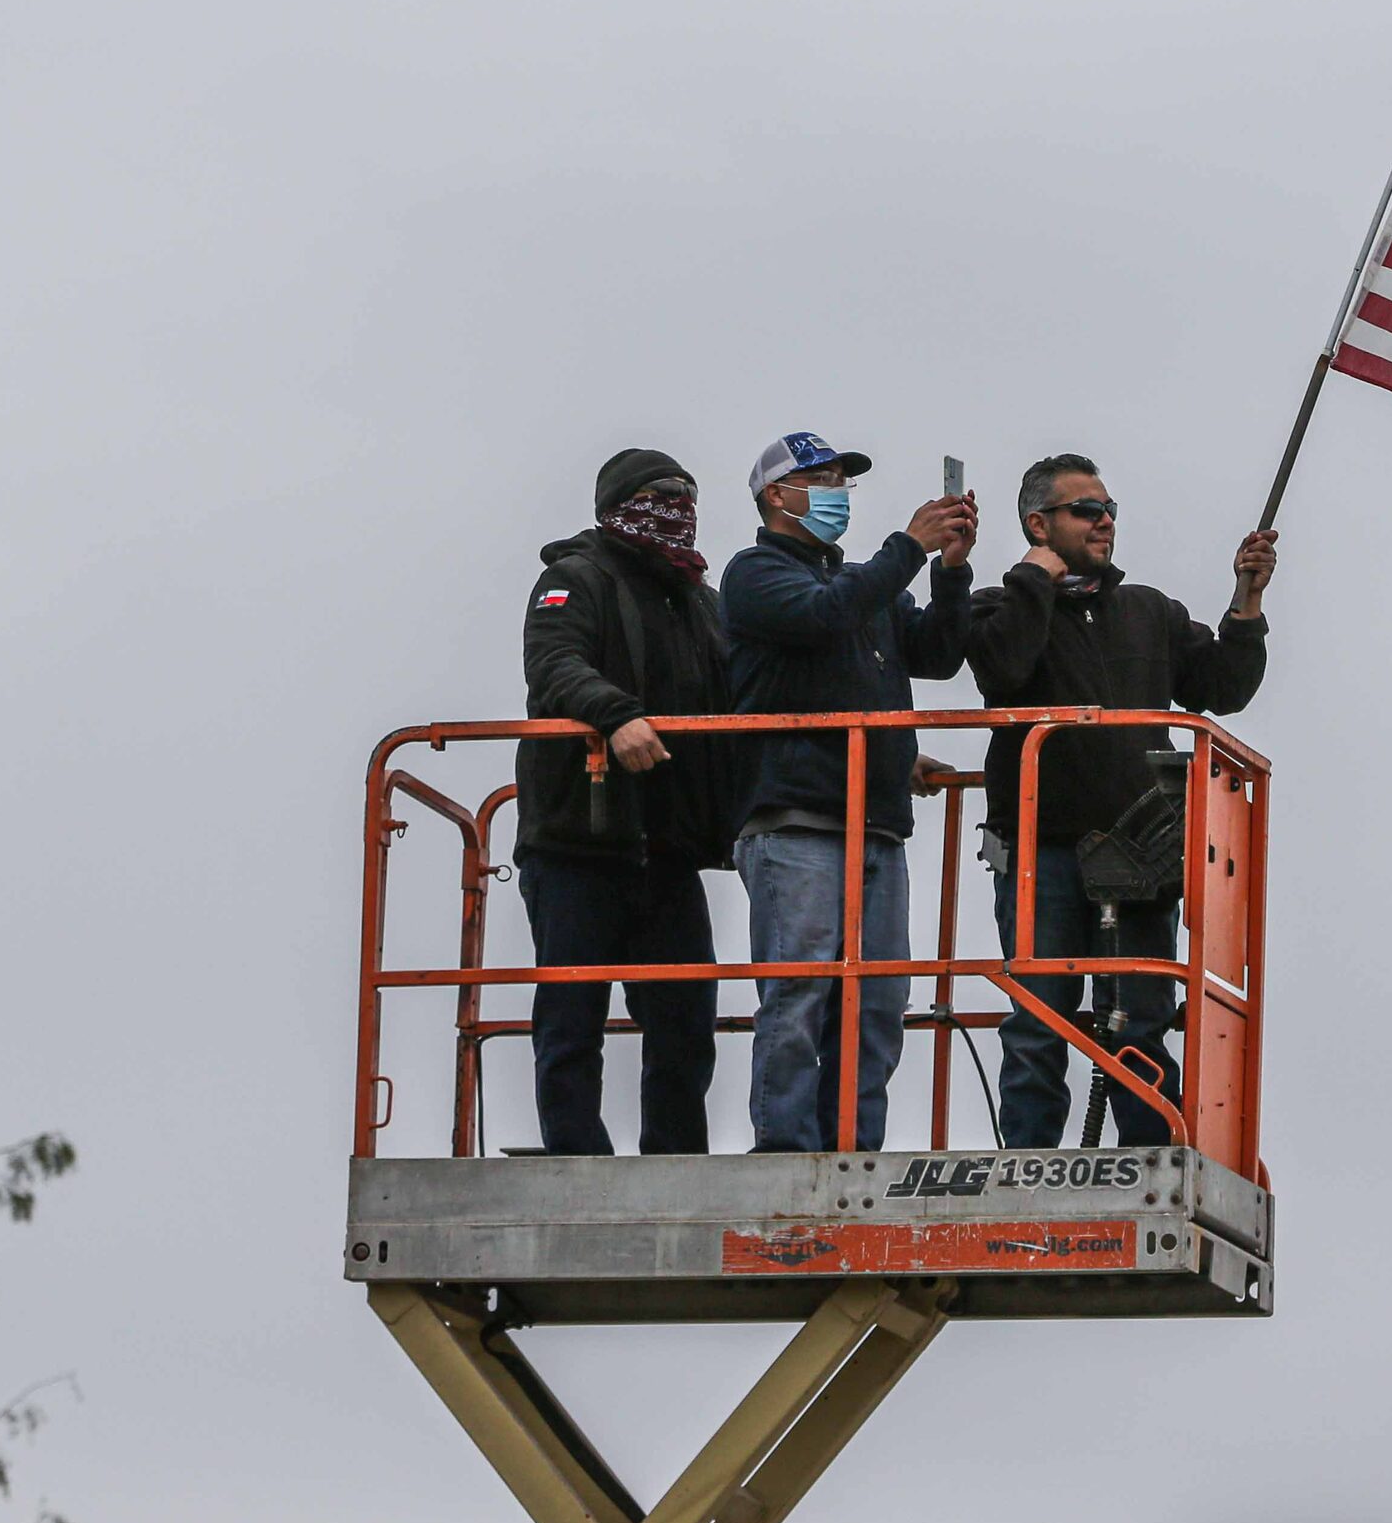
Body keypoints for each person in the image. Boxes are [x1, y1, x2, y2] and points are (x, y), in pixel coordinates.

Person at [962, 453, 1276, 1148]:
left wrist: (1246, 599)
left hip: (1139, 855)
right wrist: (1032, 581)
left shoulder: (1148, 610)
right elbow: (1002, 668)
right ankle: (1027, 1163)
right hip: (1039, 853)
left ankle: (1150, 1156)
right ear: (1038, 524)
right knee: (1037, 1021)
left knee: (1139, 1020)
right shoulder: (1000, 606)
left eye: (1109, 509)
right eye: (1086, 510)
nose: (1104, 521)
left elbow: (1221, 687)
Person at [722, 432, 976, 1152]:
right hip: (797, 819)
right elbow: (819, 615)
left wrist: (950, 571)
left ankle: (853, 1151)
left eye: (841, 480)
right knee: (800, 993)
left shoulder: (862, 584)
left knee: (878, 1003)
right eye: (821, 478)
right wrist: (909, 547)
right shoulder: (755, 573)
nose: (836, 491)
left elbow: (935, 653)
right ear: (777, 494)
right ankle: (784, 1151)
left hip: (877, 825)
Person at [514, 447, 736, 1155]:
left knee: (685, 1020)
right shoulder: (573, 579)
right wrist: (614, 714)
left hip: (668, 849)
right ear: (617, 503)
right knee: (570, 1019)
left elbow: (753, 698)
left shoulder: (703, 604)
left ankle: (675, 1162)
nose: (676, 508)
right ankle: (575, 1159)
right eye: (659, 494)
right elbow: (554, 663)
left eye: (686, 496)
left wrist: (883, 753)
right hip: (575, 842)